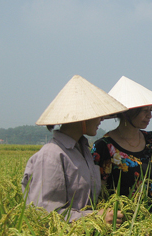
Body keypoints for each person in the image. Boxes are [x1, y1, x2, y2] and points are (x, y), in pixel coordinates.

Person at [22, 75, 127, 223]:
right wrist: (95, 217)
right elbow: (45, 214)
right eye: (97, 114)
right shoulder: (51, 155)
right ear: (83, 117)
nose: (102, 119)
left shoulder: (84, 151)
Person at [91, 76, 152, 212]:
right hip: (123, 223)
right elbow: (100, 192)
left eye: (150, 110)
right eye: (144, 111)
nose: (149, 115)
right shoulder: (105, 147)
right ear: (127, 113)